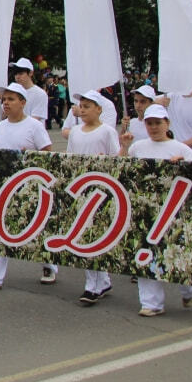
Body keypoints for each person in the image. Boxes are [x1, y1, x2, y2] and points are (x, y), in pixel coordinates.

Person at [0, 82, 54, 290]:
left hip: (31, 186)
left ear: (22, 102)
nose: (6, 104)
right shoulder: (1, 126)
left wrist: (31, 160)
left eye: (11, 99)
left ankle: (49, 265)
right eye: (4, 100)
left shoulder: (34, 126)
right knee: (0, 229)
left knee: (38, 228)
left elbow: (48, 153)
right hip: (5, 187)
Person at [120, 104, 192, 315]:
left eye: (158, 123)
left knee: (174, 254)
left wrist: (182, 166)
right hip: (145, 209)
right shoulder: (138, 147)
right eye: (149, 123)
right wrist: (124, 147)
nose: (153, 127)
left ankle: (189, 289)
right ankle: (151, 303)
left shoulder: (182, 149)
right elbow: (121, 170)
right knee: (145, 252)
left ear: (167, 124)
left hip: (173, 210)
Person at [64, 90, 121, 305]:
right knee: (83, 235)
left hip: (101, 191)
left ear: (99, 109)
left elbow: (116, 158)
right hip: (81, 189)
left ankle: (94, 285)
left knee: (95, 235)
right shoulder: (76, 132)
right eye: (81, 106)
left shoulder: (107, 131)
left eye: (88, 106)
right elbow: (70, 158)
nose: (83, 110)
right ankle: (99, 281)